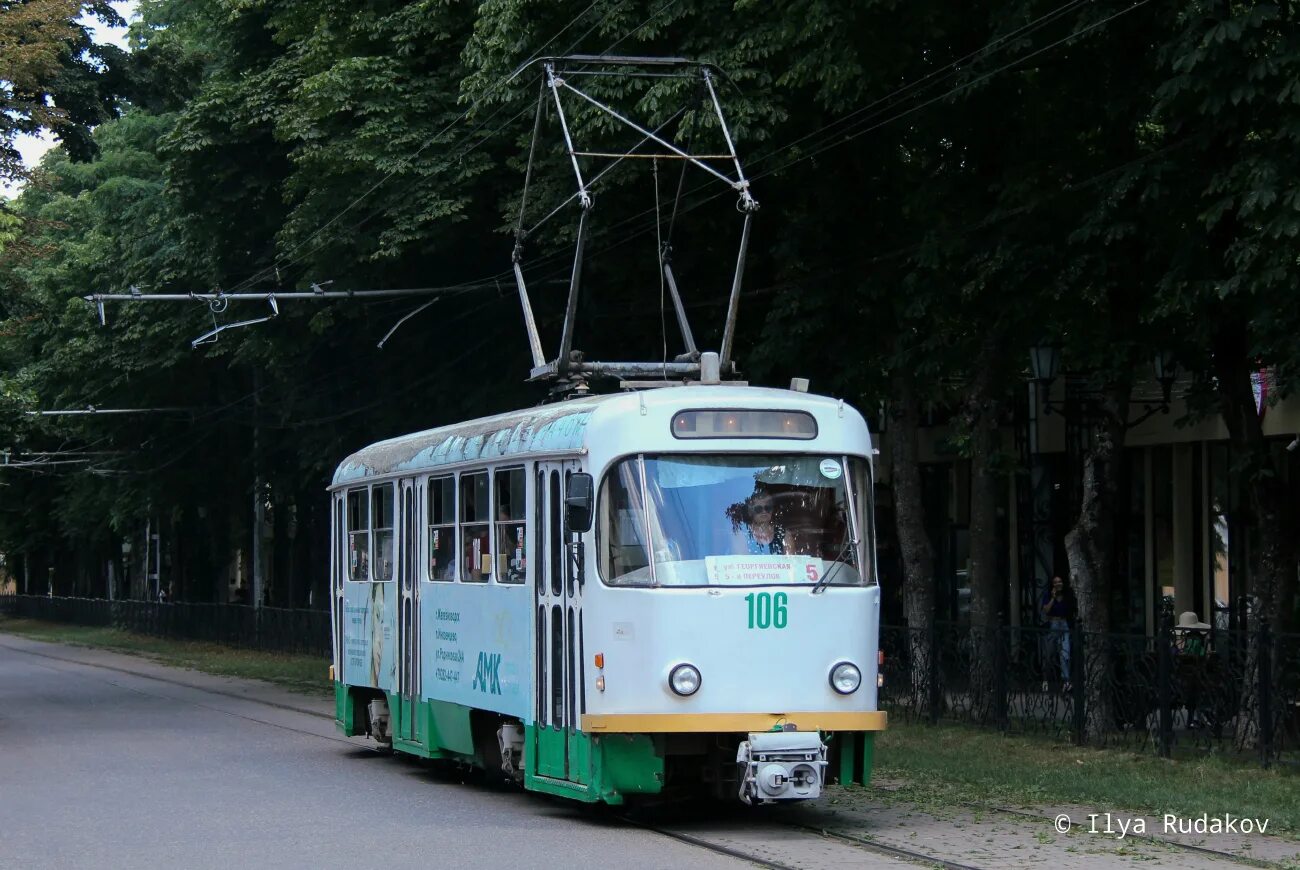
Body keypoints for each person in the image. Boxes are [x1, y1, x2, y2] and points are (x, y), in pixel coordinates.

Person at [1174, 610, 1210, 728]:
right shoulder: (1199, 640)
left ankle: (1193, 718)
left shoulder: (1191, 640)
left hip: (1189, 674)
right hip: (1195, 674)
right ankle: (1194, 718)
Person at [1040, 575, 1076, 686]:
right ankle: (1046, 681)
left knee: (1065, 654)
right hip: (1053, 624)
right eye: (1055, 582)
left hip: (1064, 624)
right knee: (1049, 654)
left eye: (1060, 581)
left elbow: (1072, 609)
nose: (1058, 584)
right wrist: (1053, 598)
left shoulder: (1067, 595)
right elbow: (1046, 610)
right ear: (1052, 584)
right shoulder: (1048, 595)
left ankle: (1066, 681)